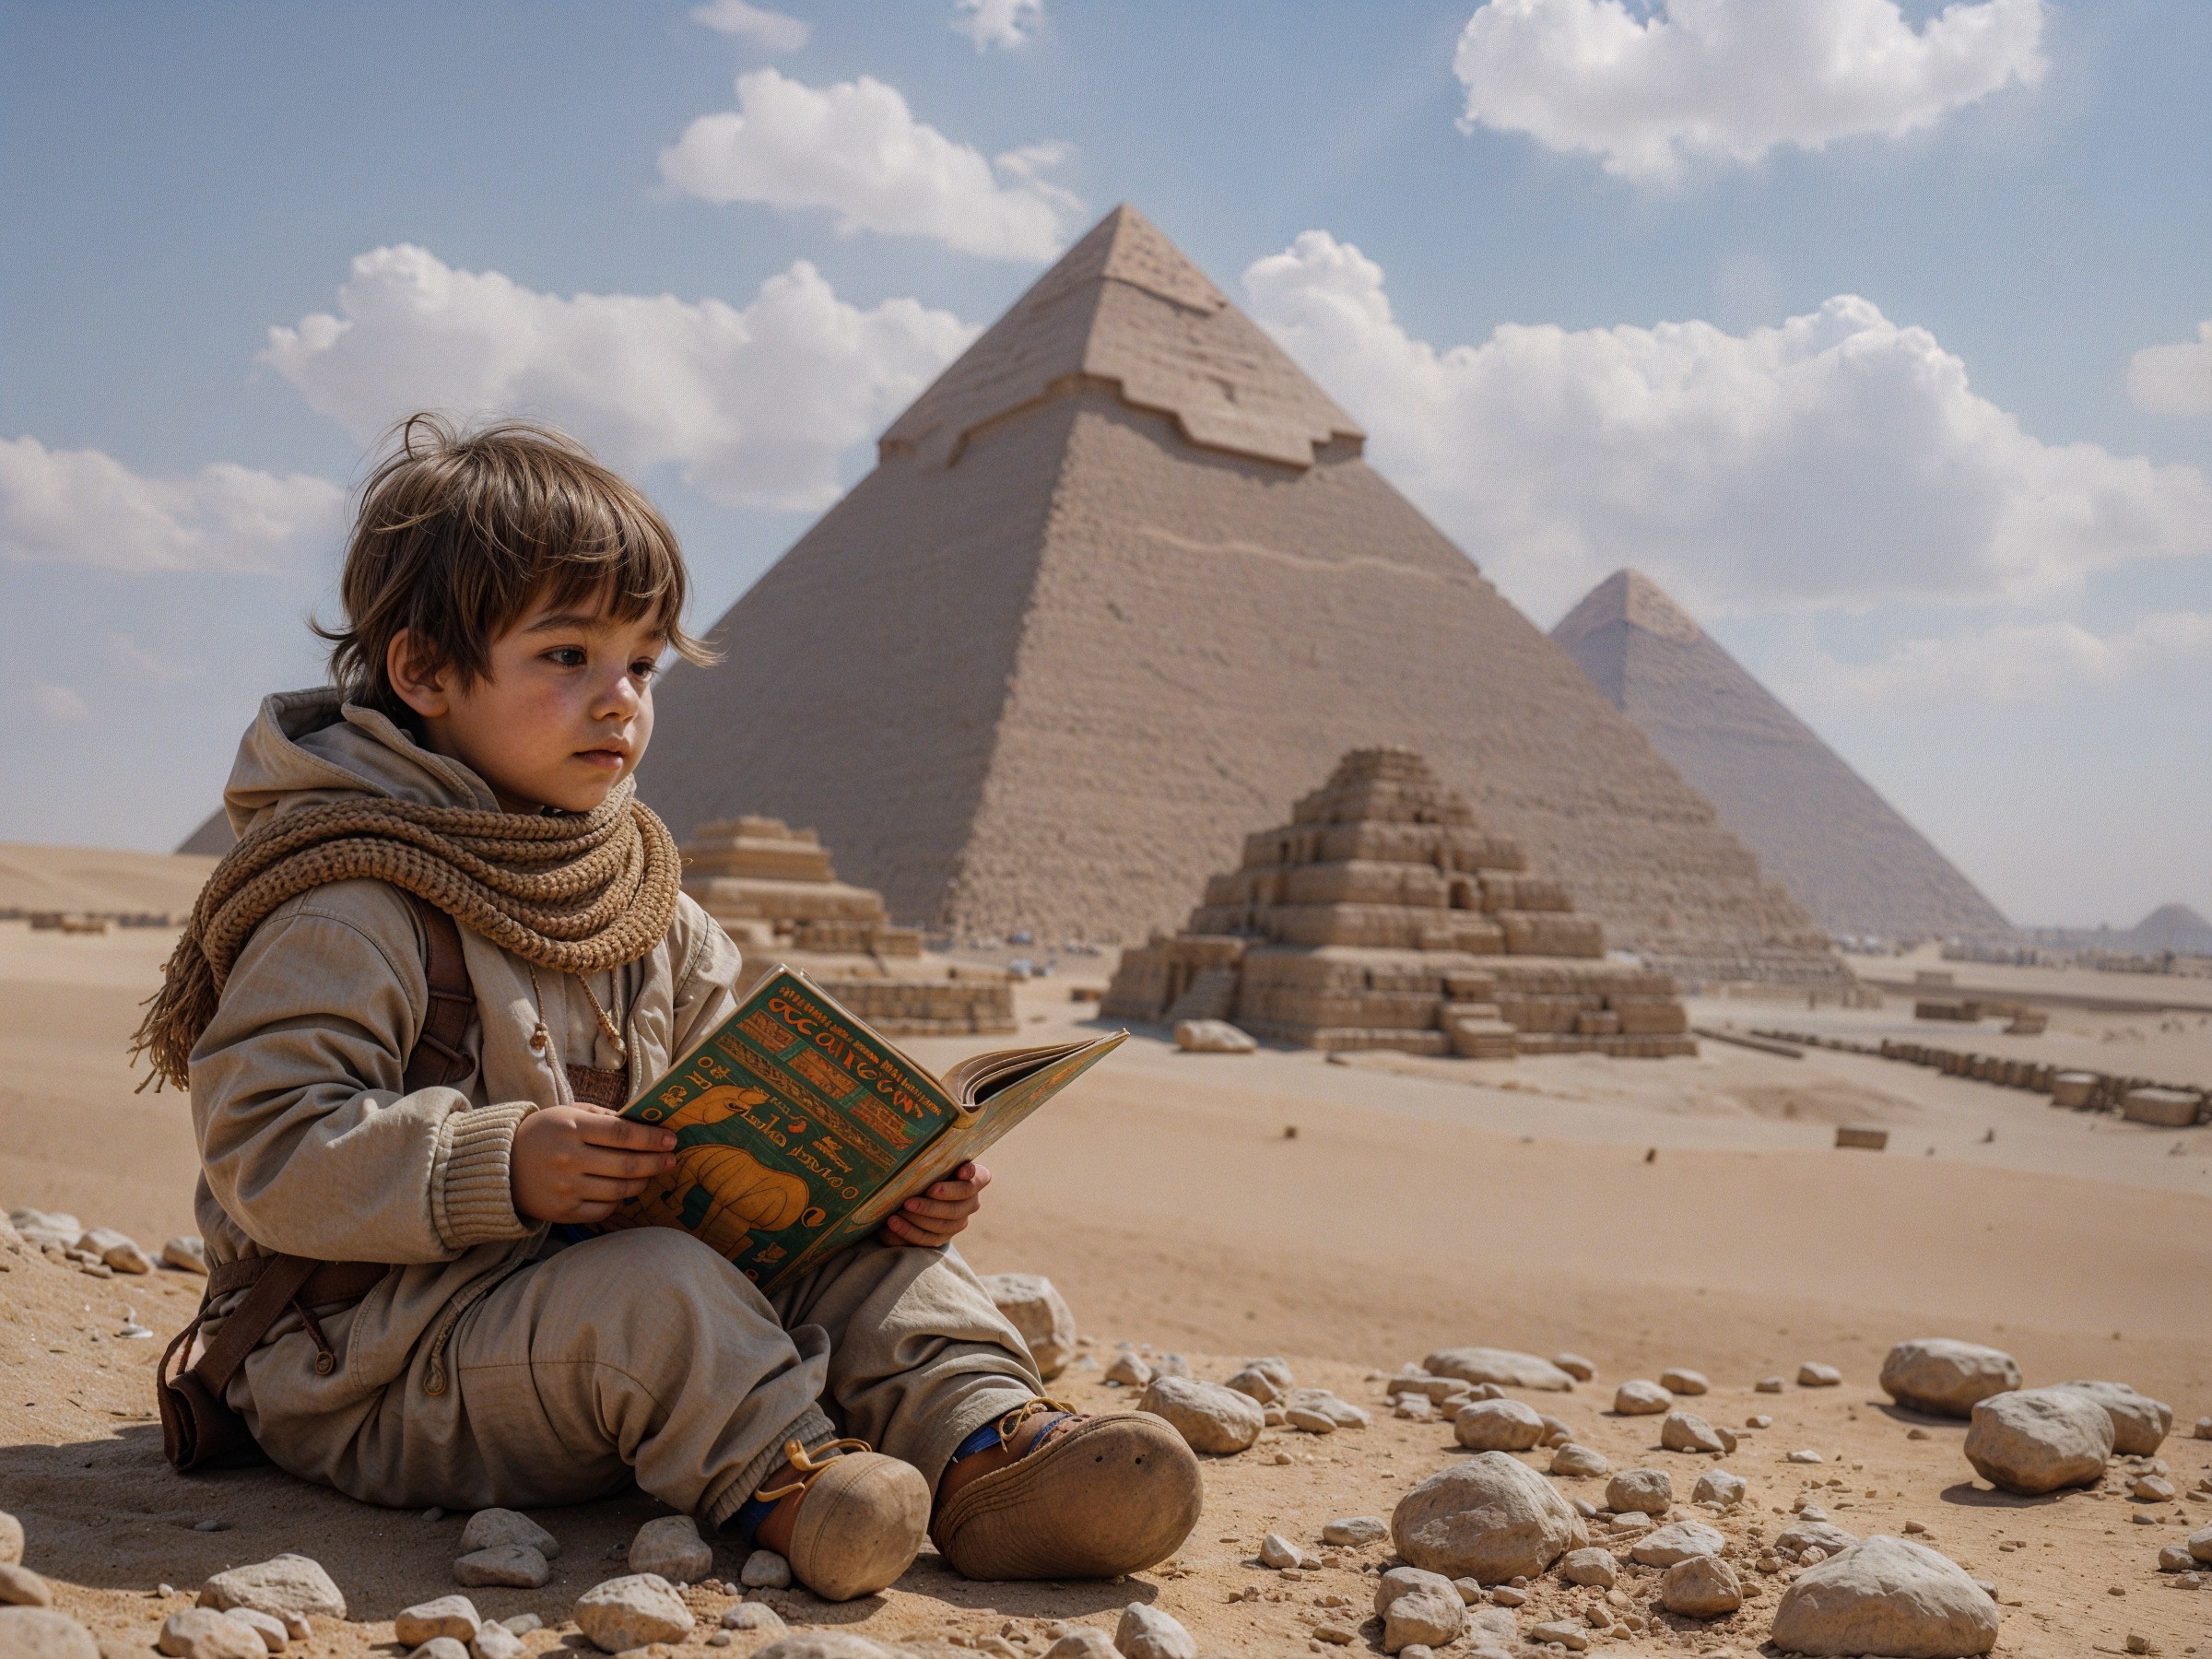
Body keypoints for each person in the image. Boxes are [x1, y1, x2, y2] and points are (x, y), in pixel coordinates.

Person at [136, 416, 1201, 1601]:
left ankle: (992, 1452)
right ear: (425, 670)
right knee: (659, 1292)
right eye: (566, 657)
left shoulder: (650, 908)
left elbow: (730, 1118)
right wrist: (503, 1162)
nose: (620, 700)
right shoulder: (351, 900)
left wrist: (884, 1189)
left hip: (582, 1318)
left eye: (643, 663)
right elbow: (266, 1148)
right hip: (384, 1366)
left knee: (864, 1268)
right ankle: (794, 1483)